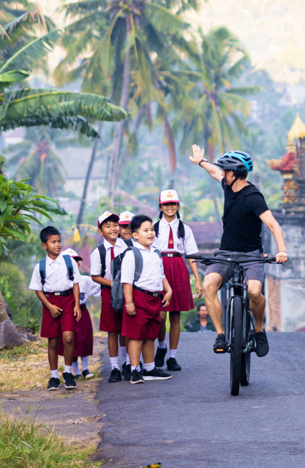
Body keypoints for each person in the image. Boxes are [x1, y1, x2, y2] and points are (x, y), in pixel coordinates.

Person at [189, 145, 289, 356]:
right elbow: (214, 172)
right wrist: (201, 161)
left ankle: (259, 330)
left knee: (254, 291)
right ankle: (221, 335)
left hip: (252, 256)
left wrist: (282, 250)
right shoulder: (228, 186)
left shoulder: (253, 197)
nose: (222, 173)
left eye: (225, 171)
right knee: (209, 285)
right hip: (225, 254)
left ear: (233, 173)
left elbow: (274, 226)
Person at [152, 189, 203, 371]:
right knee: (160, 314)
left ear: (178, 205)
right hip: (159, 267)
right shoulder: (153, 228)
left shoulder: (185, 229)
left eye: (173, 204)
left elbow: (191, 255)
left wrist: (197, 280)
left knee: (175, 315)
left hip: (178, 267)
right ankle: (161, 347)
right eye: (166, 204)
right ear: (160, 207)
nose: (170, 207)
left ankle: (172, 357)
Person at [121, 215, 173, 384]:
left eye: (152, 229)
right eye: (146, 230)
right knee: (136, 336)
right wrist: (129, 303)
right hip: (138, 298)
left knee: (150, 335)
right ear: (135, 235)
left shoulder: (156, 252)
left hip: (154, 298)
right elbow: (127, 281)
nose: (151, 233)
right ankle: (135, 370)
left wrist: (168, 290)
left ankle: (149, 368)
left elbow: (161, 275)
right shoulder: (131, 254)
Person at [29, 227, 82, 391]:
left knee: (68, 338)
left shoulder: (69, 261)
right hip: (50, 302)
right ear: (44, 245)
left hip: (67, 301)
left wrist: (77, 305)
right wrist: (50, 306)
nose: (58, 245)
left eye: (59, 241)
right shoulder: (40, 266)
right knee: (53, 341)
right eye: (53, 242)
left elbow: (75, 284)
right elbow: (38, 290)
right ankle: (53, 376)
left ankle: (67, 372)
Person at [90, 211, 131, 383]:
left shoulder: (128, 247)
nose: (113, 229)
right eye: (108, 226)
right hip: (109, 292)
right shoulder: (98, 252)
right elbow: (95, 276)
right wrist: (113, 284)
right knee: (113, 331)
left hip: (127, 290)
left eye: (115, 225)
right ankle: (115, 367)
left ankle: (128, 363)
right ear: (101, 231)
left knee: (127, 329)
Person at [58, 249, 99, 380]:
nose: (74, 264)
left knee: (84, 339)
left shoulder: (85, 280)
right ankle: (75, 371)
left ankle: (85, 368)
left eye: (76, 261)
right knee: (70, 341)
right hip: (67, 313)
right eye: (70, 262)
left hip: (81, 311)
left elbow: (99, 288)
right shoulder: (61, 282)